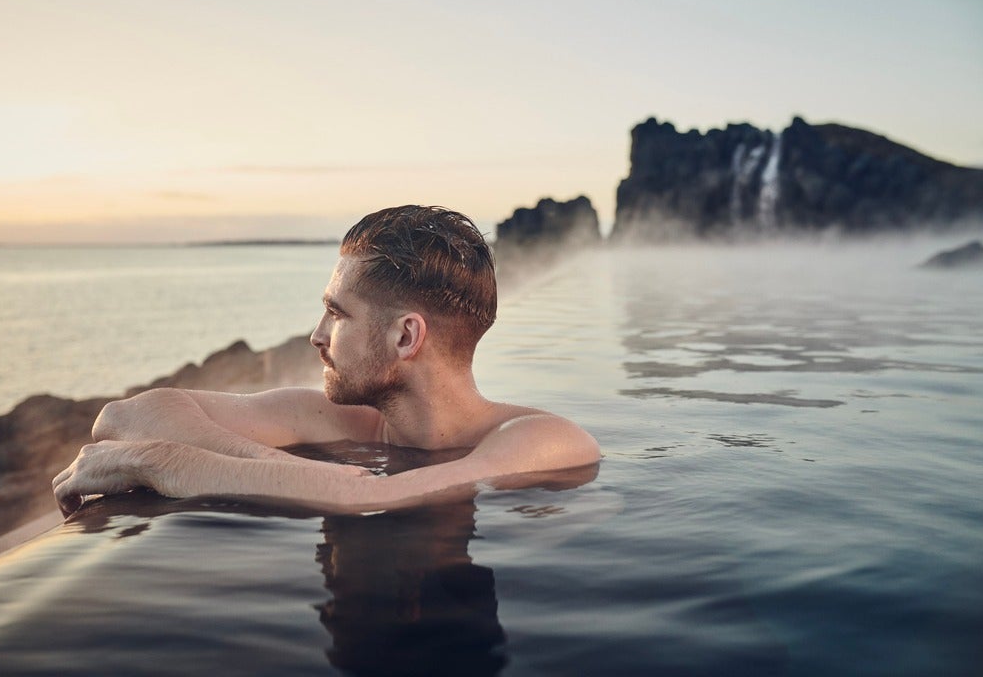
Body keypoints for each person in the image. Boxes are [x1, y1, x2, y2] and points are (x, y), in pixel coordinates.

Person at [53, 205, 600, 517]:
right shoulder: (341, 420)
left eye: (336, 314)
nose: (317, 336)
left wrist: (162, 463)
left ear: (406, 336)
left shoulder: (544, 439)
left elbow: (375, 497)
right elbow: (126, 417)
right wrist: (286, 467)